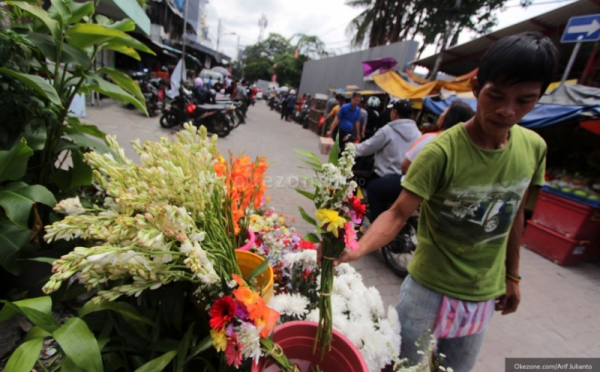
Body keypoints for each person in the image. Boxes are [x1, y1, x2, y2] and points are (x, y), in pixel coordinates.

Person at [327, 32, 559, 372]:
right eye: (496, 96)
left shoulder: (534, 148)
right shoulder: (440, 151)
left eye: (525, 100)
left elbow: (514, 217)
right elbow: (398, 212)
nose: (507, 111)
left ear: (538, 97)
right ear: (477, 86)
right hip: (427, 290)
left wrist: (513, 276)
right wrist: (358, 250)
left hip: (483, 293)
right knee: (403, 366)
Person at [354, 99, 421, 223]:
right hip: (406, 180)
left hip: (383, 177)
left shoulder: (387, 131)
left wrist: (350, 148)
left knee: (356, 180)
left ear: (394, 112)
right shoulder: (418, 133)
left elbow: (366, 148)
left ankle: (377, 223)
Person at [401, 100, 474, 175]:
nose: (440, 115)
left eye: (443, 112)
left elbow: (405, 165)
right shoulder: (466, 149)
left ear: (449, 118)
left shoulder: (432, 138)